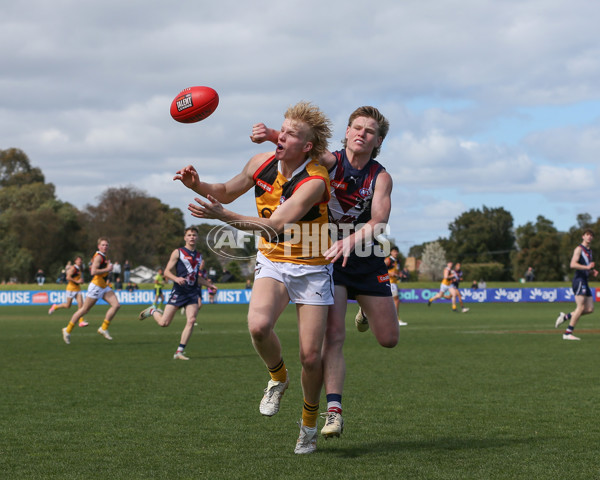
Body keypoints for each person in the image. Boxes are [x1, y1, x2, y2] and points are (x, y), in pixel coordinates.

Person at [176, 101, 334, 454]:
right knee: (258, 326)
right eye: (284, 129)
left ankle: (309, 422)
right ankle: (278, 377)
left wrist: (223, 215)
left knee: (310, 356)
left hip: (311, 266)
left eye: (291, 134)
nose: (281, 136)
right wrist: (197, 184)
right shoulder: (260, 162)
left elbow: (276, 225)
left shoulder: (315, 182)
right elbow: (227, 190)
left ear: (307, 147)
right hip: (274, 261)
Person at [251, 105, 400, 442]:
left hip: (365, 256)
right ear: (346, 133)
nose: (362, 133)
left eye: (370, 131)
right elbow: (298, 145)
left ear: (378, 142)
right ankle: (334, 412)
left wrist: (350, 242)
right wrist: (270, 134)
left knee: (389, 339)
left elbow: (379, 222)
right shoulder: (329, 163)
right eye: (356, 127)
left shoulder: (381, 176)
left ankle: (365, 309)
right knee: (333, 336)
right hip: (329, 259)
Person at [139, 227, 214, 359]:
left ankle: (179, 351)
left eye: (194, 235)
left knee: (191, 320)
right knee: (164, 323)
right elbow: (167, 271)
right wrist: (175, 278)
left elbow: (196, 277)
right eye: (189, 235)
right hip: (179, 291)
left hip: (192, 292)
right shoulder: (178, 252)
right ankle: (152, 311)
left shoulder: (199, 256)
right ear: (185, 238)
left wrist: (210, 285)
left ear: (197, 238)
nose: (192, 237)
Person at [62, 237, 120, 344]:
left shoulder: (104, 256)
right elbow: (93, 271)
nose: (105, 247)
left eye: (106, 245)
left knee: (116, 305)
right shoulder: (98, 257)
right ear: (98, 246)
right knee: (84, 310)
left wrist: (107, 270)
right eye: (103, 245)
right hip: (96, 286)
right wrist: (107, 269)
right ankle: (67, 329)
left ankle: (103, 328)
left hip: (103, 286)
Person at [555, 229, 598, 340]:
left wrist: (592, 271)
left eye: (591, 235)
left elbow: (586, 267)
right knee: (580, 307)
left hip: (585, 280)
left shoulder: (590, 251)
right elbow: (572, 264)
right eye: (587, 235)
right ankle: (568, 333)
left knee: (590, 309)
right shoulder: (579, 249)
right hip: (579, 280)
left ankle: (566, 316)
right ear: (583, 236)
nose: (589, 237)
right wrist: (587, 268)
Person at [49, 256, 89, 327]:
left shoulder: (80, 268)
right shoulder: (73, 268)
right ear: (75, 261)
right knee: (68, 306)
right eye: (78, 260)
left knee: (81, 305)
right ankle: (55, 307)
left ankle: (81, 321)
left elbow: (78, 278)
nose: (80, 261)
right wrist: (77, 281)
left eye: (81, 260)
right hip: (71, 289)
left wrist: (81, 281)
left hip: (78, 289)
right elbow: (68, 277)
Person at [381, 246, 407, 326]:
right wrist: (389, 273)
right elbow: (381, 269)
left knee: (390, 301)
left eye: (396, 251)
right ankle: (396, 319)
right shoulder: (388, 260)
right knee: (396, 300)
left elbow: (396, 271)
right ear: (391, 252)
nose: (396, 253)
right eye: (394, 251)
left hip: (394, 282)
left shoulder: (397, 261)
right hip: (389, 282)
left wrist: (400, 274)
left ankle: (388, 319)